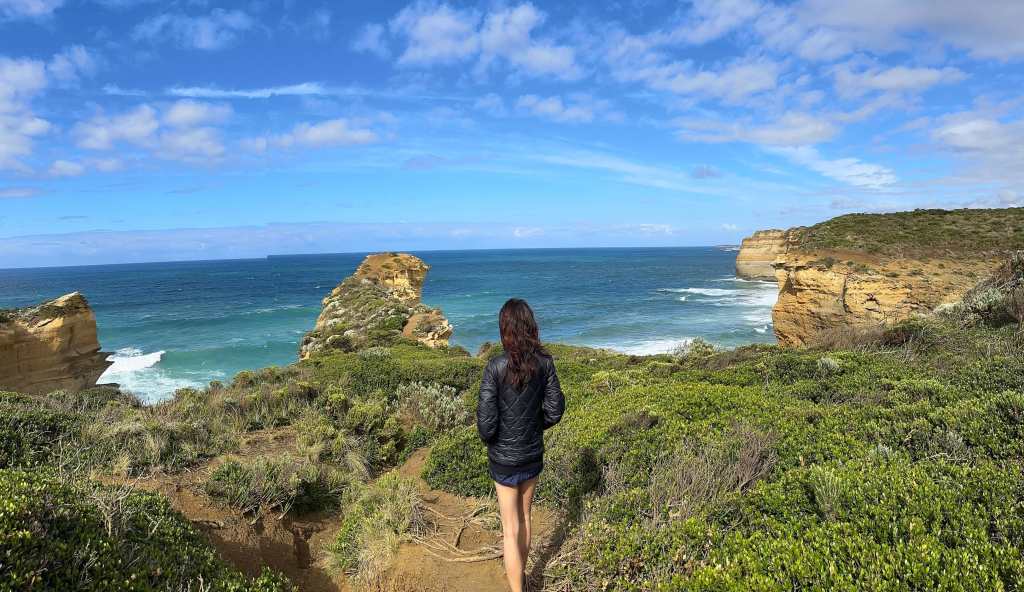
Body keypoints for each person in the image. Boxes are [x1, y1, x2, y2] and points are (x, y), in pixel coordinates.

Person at [477, 298, 565, 592]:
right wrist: (532, 429)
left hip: (503, 459)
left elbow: (486, 426)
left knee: (509, 527)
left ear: (505, 329)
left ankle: (517, 587)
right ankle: (522, 576)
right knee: (526, 519)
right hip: (531, 455)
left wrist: (497, 440)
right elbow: (554, 411)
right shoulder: (545, 363)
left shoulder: (494, 367)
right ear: (530, 327)